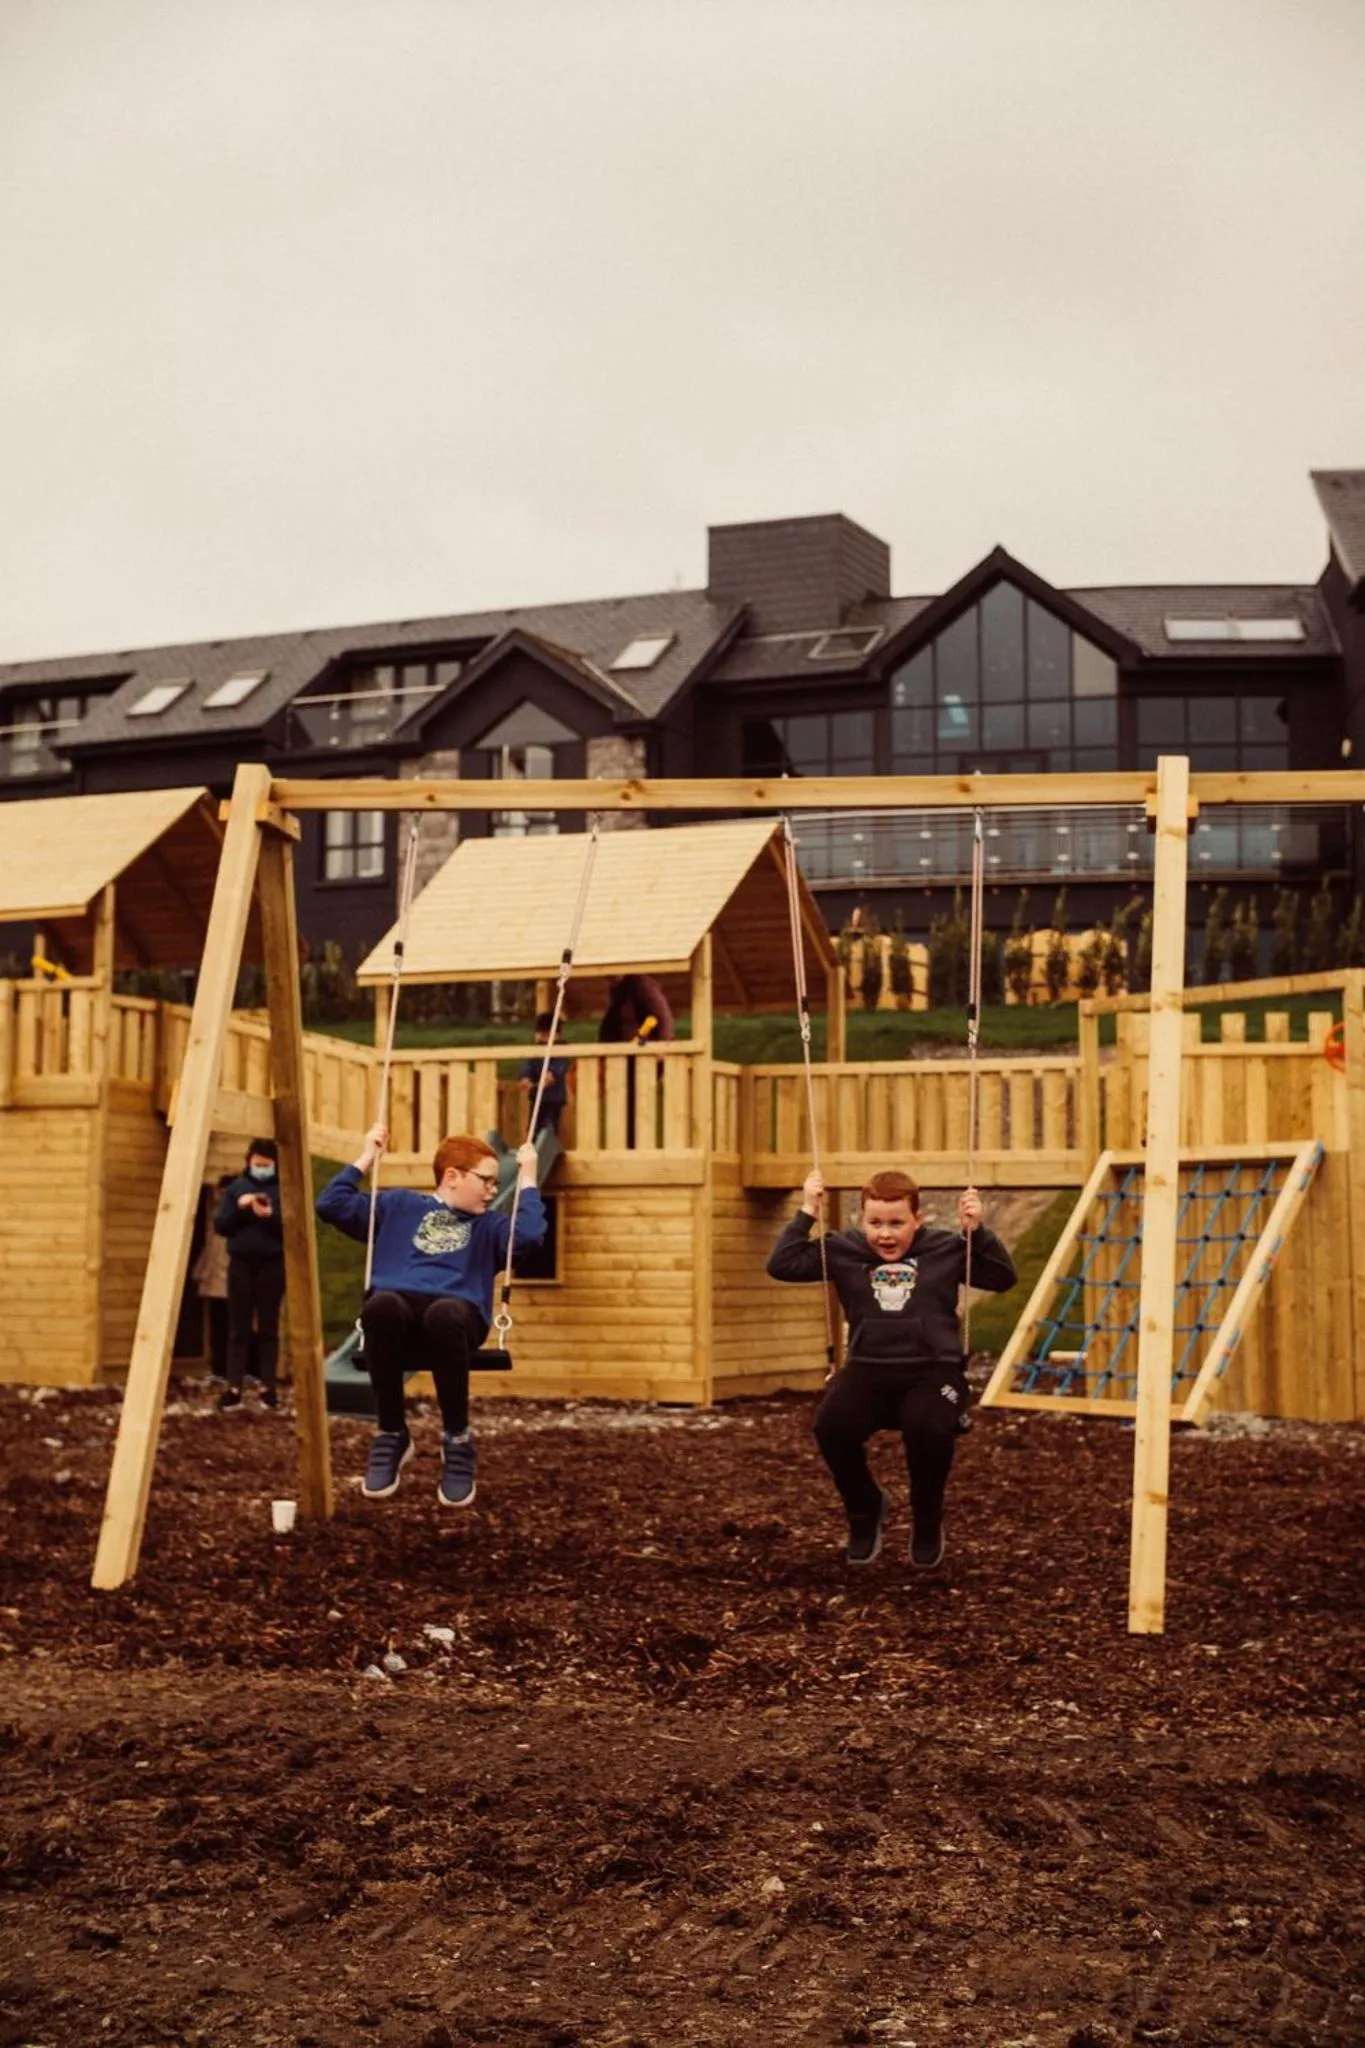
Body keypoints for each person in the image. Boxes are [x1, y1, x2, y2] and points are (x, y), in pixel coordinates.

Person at [766, 1169, 1017, 1570]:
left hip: (933, 1371)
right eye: (875, 1223)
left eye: (897, 1223)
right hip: (868, 1369)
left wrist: (978, 1231)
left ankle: (927, 1520)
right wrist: (807, 1211)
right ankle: (865, 1507)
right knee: (831, 1427)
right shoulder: (844, 1249)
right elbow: (783, 1264)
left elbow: (1004, 1278)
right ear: (861, 1219)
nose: (885, 1234)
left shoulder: (947, 1249)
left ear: (918, 1220)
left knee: (928, 1428)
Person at [315, 1124, 546, 1506]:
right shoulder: (397, 1206)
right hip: (399, 1318)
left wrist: (529, 1177)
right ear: (452, 1177)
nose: (492, 1190)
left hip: (457, 1317)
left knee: (443, 1313)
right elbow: (330, 1204)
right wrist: (367, 1156)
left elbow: (530, 1235)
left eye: (496, 1182)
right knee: (382, 1305)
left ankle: (457, 1440)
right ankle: (391, 1433)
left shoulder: (489, 1226)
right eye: (487, 1181)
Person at [214, 1138, 286, 1411]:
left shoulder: (281, 1190)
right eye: (258, 1164)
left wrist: (270, 1215)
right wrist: (243, 1209)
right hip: (241, 1263)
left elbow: (290, 1229)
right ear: (249, 1162)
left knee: (268, 1327)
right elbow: (222, 1226)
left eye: (266, 1165)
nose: (262, 1169)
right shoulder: (237, 1189)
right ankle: (234, 1387)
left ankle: (268, 1387)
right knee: (238, 1328)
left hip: (272, 1264)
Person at [192, 1176, 233, 1380]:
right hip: (216, 1282)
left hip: (228, 1282)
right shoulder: (216, 1218)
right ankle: (219, 1367)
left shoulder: (231, 1220)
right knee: (218, 1326)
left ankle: (225, 1368)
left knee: (227, 1327)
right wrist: (200, 1274)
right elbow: (209, 1251)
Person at [518, 1011, 573, 1137]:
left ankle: (549, 1149)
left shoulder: (561, 1049)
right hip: (537, 1095)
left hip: (553, 1097)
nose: (543, 1038)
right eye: (541, 1034)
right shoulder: (535, 1050)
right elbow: (528, 1064)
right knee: (534, 1126)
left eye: (547, 1035)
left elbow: (560, 1065)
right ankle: (533, 1145)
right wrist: (525, 1077)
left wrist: (551, 1075)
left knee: (550, 1126)